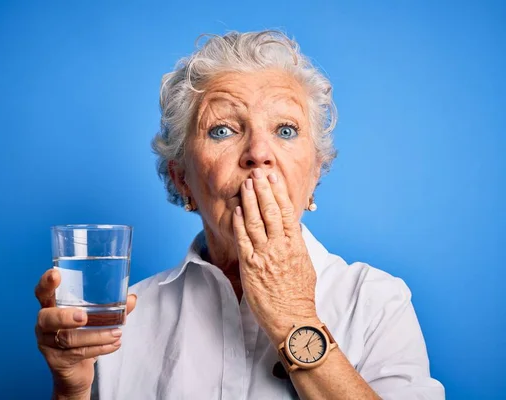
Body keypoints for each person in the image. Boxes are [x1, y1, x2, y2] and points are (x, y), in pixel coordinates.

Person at [34, 30, 445, 399]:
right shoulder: (123, 319)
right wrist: (71, 390)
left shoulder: (376, 302)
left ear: (314, 174)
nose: (258, 153)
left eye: (285, 130)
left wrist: (293, 318)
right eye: (223, 130)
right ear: (182, 180)